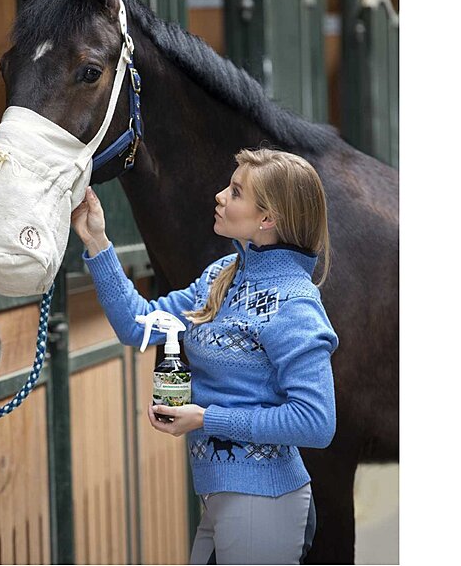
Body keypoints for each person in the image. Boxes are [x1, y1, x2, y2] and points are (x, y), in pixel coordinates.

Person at [70, 147, 339, 565]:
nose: (219, 196)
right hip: (222, 495)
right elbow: (138, 323)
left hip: (263, 499)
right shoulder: (222, 275)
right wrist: (99, 243)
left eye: (235, 192)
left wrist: (206, 418)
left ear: (267, 219)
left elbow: (316, 422)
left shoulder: (294, 303)